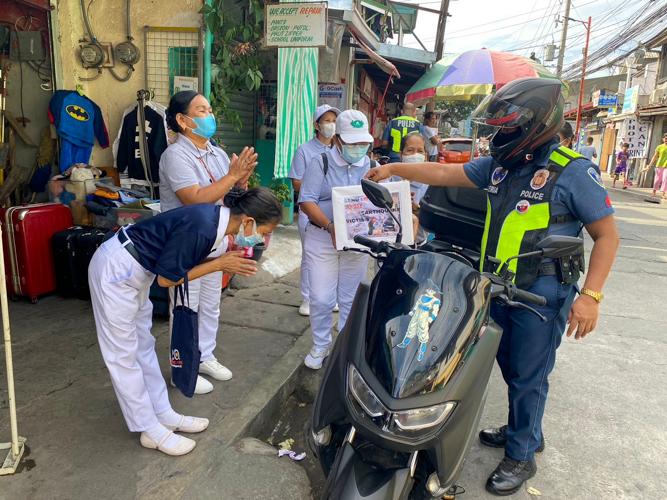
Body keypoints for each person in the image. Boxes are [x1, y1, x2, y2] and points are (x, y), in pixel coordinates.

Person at [366, 78, 619, 496]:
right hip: (496, 286)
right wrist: (395, 168)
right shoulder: (501, 166)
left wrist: (590, 297)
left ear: (536, 125)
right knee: (503, 364)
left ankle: (523, 455)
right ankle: (525, 429)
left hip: (542, 292)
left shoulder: (573, 172)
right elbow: (446, 172)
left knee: (528, 376)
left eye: (507, 127)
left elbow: (607, 236)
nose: (500, 135)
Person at [89, 188, 283, 456]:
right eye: (264, 231)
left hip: (137, 270)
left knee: (143, 347)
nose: (260, 238)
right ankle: (149, 429)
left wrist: (220, 261)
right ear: (248, 221)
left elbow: (182, 258)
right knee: (123, 355)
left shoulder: (216, 223)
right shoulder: (203, 226)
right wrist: (218, 265)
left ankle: (163, 413)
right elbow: (167, 279)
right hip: (117, 270)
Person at [159, 91, 258, 395]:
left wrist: (240, 182)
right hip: (187, 244)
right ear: (182, 119)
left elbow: (224, 194)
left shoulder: (214, 151)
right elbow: (195, 199)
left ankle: (205, 356)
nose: (208, 115)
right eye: (201, 110)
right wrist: (232, 177)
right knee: (186, 307)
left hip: (215, 239)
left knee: (211, 305)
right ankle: (183, 367)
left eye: (209, 109)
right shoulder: (175, 155)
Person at [299, 110, 375, 370]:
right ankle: (321, 344)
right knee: (321, 297)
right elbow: (306, 201)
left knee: (351, 298)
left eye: (363, 143)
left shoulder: (372, 166)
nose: (358, 148)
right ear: (338, 140)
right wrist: (330, 226)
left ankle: (344, 346)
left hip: (358, 242)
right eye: (352, 143)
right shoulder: (320, 162)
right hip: (322, 239)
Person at [287, 104, 341, 317]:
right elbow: (297, 184)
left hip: (336, 210)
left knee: (336, 255)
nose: (331, 124)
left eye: (334, 120)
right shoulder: (305, 150)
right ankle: (308, 298)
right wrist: (320, 183)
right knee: (310, 255)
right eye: (327, 120)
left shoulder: (340, 149)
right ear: (316, 125)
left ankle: (330, 296)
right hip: (312, 210)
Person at [642, 133, 667, 199]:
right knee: (657, 179)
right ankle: (654, 191)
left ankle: (663, 193)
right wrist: (649, 165)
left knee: (665, 179)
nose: (666, 140)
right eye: (665, 138)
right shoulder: (659, 147)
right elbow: (655, 156)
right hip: (659, 165)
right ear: (663, 139)